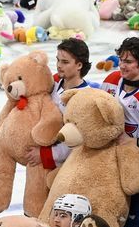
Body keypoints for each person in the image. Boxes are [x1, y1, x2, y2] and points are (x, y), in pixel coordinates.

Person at [101, 37, 139, 227]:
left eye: (128, 62)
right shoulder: (110, 81)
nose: (122, 66)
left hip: (138, 171)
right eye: (121, 60)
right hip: (110, 167)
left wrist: (136, 142)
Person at [29, 38, 97, 171]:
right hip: (44, 155)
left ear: (79, 65)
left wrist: (45, 155)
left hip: (68, 167)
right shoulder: (53, 83)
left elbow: (77, 139)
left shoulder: (85, 97)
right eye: (58, 60)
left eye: (65, 62)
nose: (59, 65)